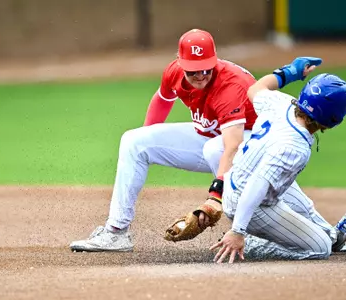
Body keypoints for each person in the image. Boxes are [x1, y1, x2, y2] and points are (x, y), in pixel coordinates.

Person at [70, 29, 258, 252]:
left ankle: (251, 234)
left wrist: (215, 196)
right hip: (213, 136)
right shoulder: (174, 72)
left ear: (214, 61)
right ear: (181, 64)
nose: (200, 75)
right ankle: (116, 233)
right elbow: (162, 99)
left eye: (206, 68)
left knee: (215, 148)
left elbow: (233, 145)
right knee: (134, 141)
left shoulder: (229, 85)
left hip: (252, 142)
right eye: (193, 71)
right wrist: (147, 140)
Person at [210, 57, 346, 263]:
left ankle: (334, 236)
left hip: (240, 179)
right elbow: (257, 184)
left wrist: (289, 72)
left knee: (306, 209)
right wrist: (238, 230)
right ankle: (251, 244)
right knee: (320, 248)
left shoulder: (282, 103)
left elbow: (255, 89)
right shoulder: (295, 147)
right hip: (249, 203)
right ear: (332, 118)